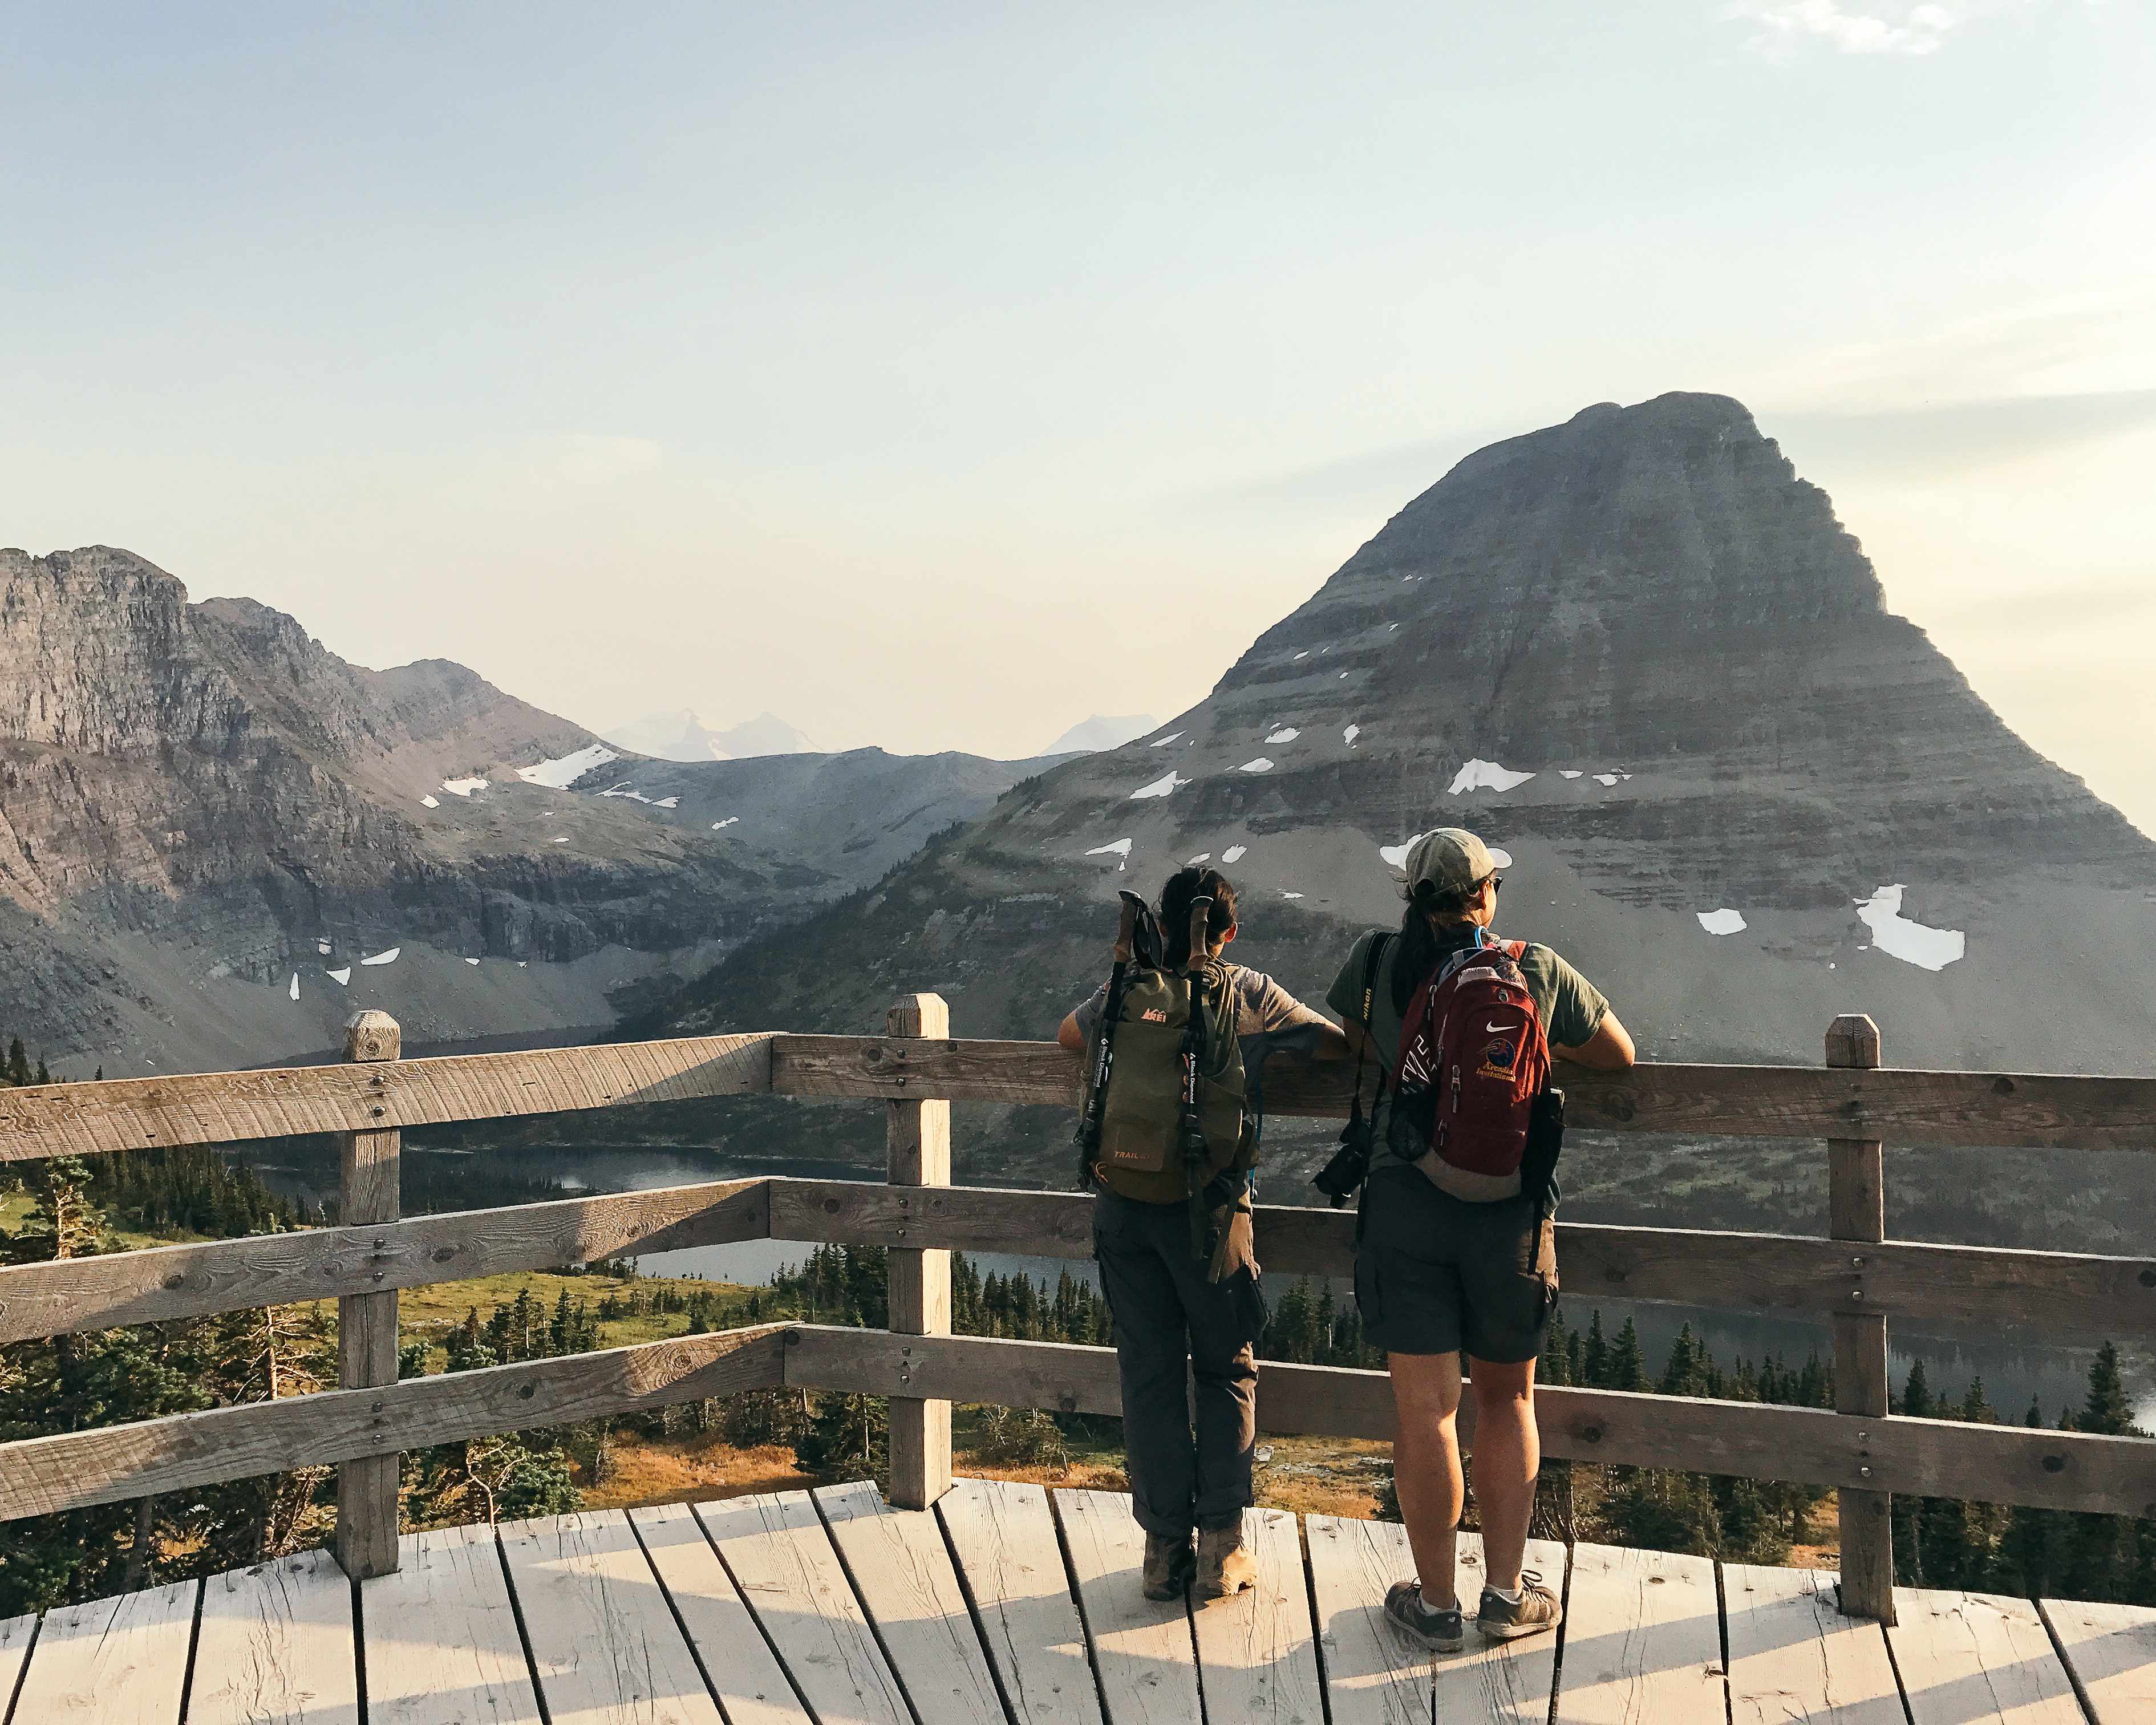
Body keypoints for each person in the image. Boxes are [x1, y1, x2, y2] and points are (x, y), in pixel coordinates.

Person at [1328, 829, 1633, 1653]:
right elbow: (1619, 1053)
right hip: (1510, 1212)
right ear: (1487, 894)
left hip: (1405, 1202)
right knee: (1508, 1400)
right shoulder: (1533, 967)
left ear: (1411, 896)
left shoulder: (1376, 960)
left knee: (1425, 1412)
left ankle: (1434, 1607)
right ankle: (1505, 1596)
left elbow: (1358, 1041)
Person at [1060, 865, 1348, 1601]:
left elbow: (1070, 1036)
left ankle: (1162, 1555)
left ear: (1160, 922)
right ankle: (1222, 1549)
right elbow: (1332, 1042)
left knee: (1150, 1375)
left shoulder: (1128, 987)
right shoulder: (1242, 990)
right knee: (1224, 1370)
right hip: (1209, 1215)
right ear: (1228, 930)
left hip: (1123, 1205)